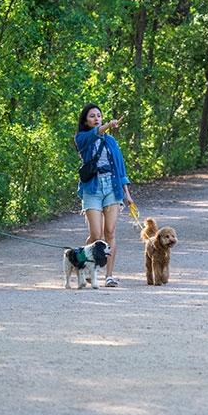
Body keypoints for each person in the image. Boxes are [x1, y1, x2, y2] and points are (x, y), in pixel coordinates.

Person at [75, 104, 134, 287]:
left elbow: (120, 168)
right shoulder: (82, 138)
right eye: (92, 116)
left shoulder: (111, 142)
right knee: (96, 234)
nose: (96, 118)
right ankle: (84, 265)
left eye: (99, 116)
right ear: (86, 120)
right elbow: (94, 134)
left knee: (110, 232)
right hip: (92, 188)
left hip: (112, 187)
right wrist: (108, 125)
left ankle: (109, 275)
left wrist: (127, 193)